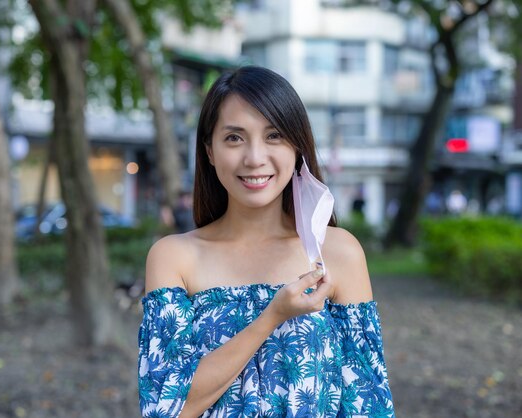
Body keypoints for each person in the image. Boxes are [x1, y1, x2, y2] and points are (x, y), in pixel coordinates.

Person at [138, 66, 394, 417]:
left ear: (297, 146)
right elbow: (166, 407)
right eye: (234, 138)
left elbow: (369, 405)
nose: (255, 157)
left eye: (274, 136)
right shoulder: (175, 257)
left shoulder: (336, 252)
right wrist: (272, 316)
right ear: (209, 151)